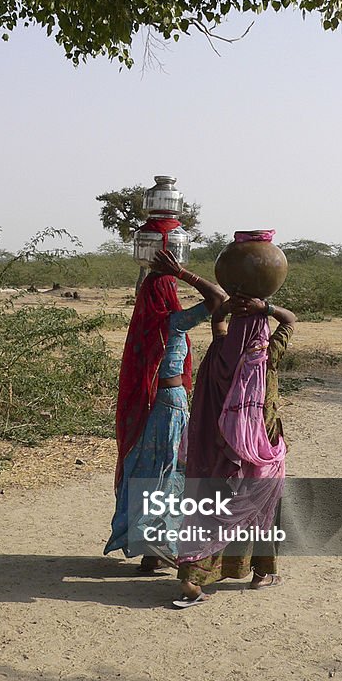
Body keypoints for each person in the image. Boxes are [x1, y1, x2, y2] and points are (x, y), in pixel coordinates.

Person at [104, 248, 227, 571]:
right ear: (168, 295)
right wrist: (184, 273)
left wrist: (163, 272)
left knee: (150, 471)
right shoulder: (174, 322)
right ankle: (158, 546)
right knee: (171, 473)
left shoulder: (146, 324)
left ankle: (150, 551)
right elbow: (219, 299)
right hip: (171, 405)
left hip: (151, 405)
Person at [173, 294, 297, 607]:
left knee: (209, 510)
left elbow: (217, 322)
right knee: (260, 506)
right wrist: (265, 309)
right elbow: (290, 319)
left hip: (218, 449)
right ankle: (261, 574)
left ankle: (192, 575)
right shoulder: (266, 356)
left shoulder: (218, 352)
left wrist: (226, 308)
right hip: (259, 447)